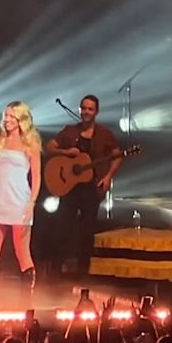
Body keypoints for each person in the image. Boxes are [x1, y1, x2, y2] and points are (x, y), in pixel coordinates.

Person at [45, 94, 121, 277]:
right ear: (79, 109)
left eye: (90, 109)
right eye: (84, 108)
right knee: (62, 227)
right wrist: (66, 151)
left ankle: (83, 272)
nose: (86, 112)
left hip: (91, 189)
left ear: (96, 112)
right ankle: (56, 269)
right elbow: (49, 147)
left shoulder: (104, 133)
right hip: (69, 187)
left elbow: (117, 155)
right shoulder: (70, 131)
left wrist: (109, 176)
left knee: (87, 230)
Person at [0, 101, 41, 301]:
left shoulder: (31, 142)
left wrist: (31, 203)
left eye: (11, 117)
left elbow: (37, 177)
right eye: (5, 116)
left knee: (22, 251)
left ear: (21, 120)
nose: (7, 120)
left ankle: (27, 299)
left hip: (20, 201)